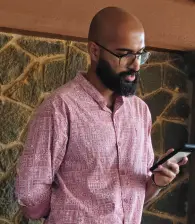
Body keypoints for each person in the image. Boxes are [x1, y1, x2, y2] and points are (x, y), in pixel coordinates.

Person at [15, 6, 188, 224]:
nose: (135, 65)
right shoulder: (59, 108)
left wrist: (157, 182)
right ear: (95, 51)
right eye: (124, 55)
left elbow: (133, 198)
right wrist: (71, 210)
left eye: (140, 54)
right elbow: (30, 197)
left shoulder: (140, 112)